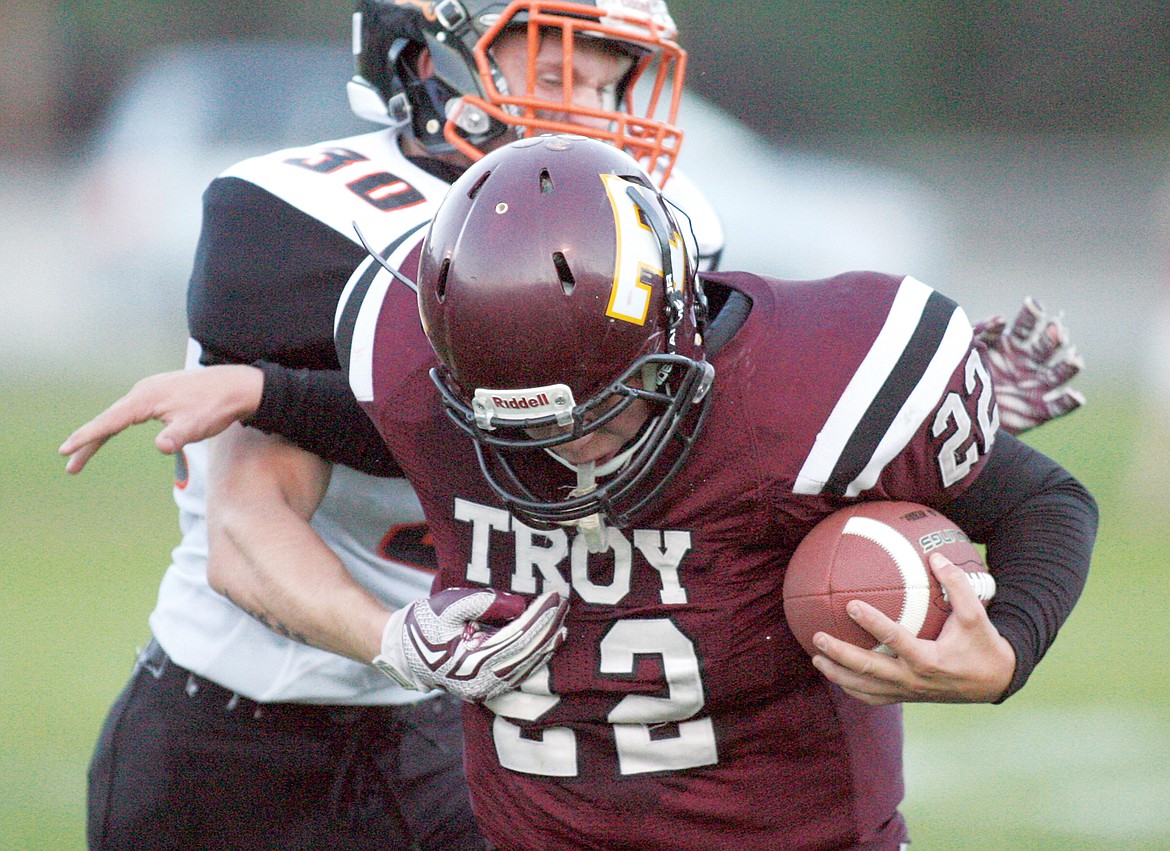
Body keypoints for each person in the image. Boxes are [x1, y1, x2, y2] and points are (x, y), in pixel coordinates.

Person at [65, 135, 1098, 849]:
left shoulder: (817, 393)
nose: (573, 456)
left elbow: (1049, 503)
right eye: (524, 428)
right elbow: (400, 425)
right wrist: (267, 389)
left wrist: (1005, 643)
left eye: (601, 410)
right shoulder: (409, 371)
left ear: (674, 336)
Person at [76, 2, 718, 849]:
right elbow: (245, 532)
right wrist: (401, 640)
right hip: (230, 739)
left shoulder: (649, 223)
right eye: (559, 77)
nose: (596, 117)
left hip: (441, 728)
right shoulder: (302, 218)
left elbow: (608, 445)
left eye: (610, 85)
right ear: (427, 64)